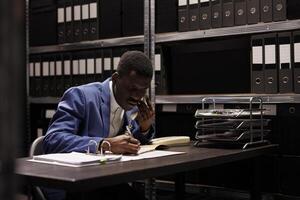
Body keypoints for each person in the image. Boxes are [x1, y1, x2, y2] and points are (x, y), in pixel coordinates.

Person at [42, 50, 155, 200]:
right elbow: (52, 140)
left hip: (105, 182)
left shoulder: (130, 103)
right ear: (116, 79)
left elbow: (126, 141)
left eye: (143, 90)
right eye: (133, 89)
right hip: (73, 186)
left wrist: (143, 127)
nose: (137, 96)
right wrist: (103, 144)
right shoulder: (81, 96)